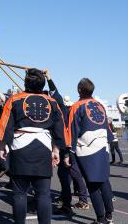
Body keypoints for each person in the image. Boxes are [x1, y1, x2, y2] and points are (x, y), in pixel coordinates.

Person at [0, 68, 65, 224]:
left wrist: (1, 146)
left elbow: (5, 124)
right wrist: (56, 150)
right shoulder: (52, 101)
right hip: (43, 148)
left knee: (19, 193)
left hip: (21, 148)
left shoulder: (14, 99)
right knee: (44, 194)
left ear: (25, 82)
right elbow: (59, 128)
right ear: (43, 83)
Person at [67, 78, 115, 224]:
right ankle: (109, 216)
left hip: (87, 148)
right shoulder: (99, 105)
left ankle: (101, 219)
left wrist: (70, 152)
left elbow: (72, 131)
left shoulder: (76, 106)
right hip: (103, 145)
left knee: (92, 184)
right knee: (104, 181)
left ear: (79, 90)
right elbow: (106, 126)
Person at [47, 74, 90, 216]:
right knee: (68, 174)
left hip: (67, 147)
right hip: (66, 145)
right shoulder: (61, 110)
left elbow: (55, 93)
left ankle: (77, 201)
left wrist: (49, 78)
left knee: (71, 174)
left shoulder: (63, 109)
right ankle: (70, 199)